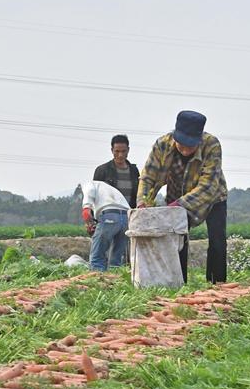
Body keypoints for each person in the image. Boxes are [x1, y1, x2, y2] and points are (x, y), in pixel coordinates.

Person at [136, 111, 228, 283]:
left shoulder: (212, 145)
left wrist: (179, 205)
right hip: (176, 193)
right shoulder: (162, 145)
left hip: (212, 196)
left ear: (199, 140)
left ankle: (217, 285)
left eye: (190, 146)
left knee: (217, 240)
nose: (185, 151)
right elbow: (148, 176)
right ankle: (178, 281)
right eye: (181, 145)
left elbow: (207, 187)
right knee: (177, 238)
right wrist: (142, 202)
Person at [80, 180, 130, 271]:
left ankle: (98, 279)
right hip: (127, 218)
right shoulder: (112, 189)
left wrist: (86, 207)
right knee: (116, 259)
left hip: (109, 215)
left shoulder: (90, 184)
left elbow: (89, 194)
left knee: (97, 257)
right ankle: (116, 279)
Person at [92, 134, 139, 209]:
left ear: (128, 150)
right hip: (109, 215)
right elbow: (93, 195)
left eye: (123, 151)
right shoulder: (102, 171)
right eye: (117, 151)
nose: (120, 155)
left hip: (130, 214)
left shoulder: (134, 171)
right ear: (112, 150)